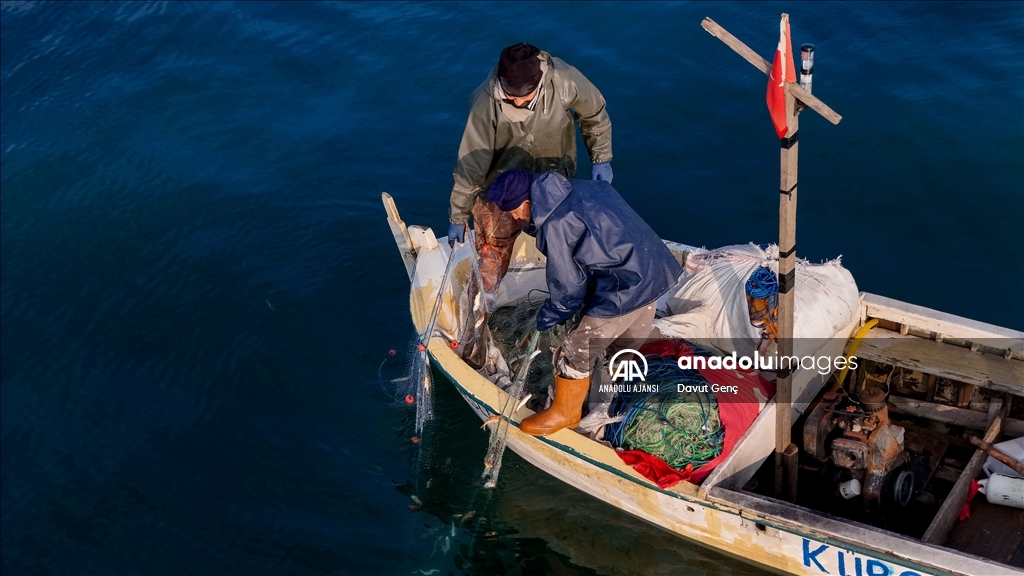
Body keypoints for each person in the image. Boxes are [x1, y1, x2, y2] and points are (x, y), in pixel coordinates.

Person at [515, 171, 682, 436]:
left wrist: (551, 313)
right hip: (656, 269)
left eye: (515, 210)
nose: (515, 217)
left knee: (579, 346)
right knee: (623, 348)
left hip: (625, 285)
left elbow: (568, 286)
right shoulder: (583, 187)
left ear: (528, 201)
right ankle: (609, 404)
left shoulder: (555, 223)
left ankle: (566, 414)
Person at [447, 42, 613, 245]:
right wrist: (458, 215)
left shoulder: (565, 81)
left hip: (552, 180)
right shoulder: (484, 102)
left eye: (524, 97)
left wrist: (601, 158)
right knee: (490, 252)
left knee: (562, 242)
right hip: (502, 190)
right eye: (510, 97)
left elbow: (594, 113)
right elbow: (471, 163)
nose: (517, 103)